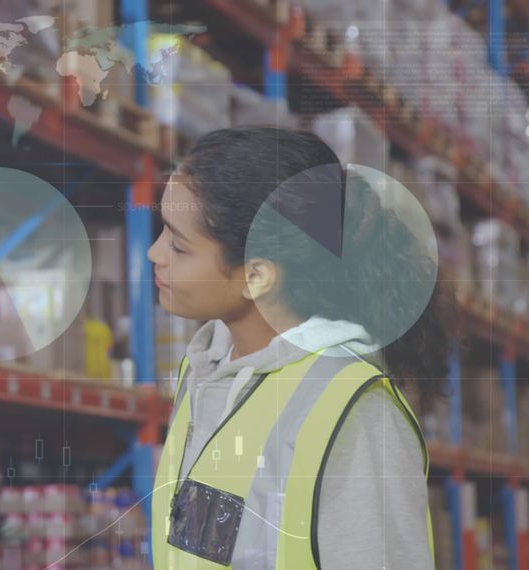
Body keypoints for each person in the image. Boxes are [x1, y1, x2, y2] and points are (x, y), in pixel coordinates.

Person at [148, 127, 447, 569]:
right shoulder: (206, 374)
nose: (155, 253)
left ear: (258, 275)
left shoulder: (356, 414)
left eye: (178, 245)